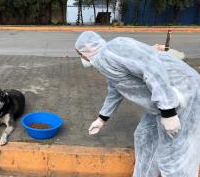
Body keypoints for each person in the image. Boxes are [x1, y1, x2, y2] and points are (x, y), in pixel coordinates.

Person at [74, 31, 200, 177]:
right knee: (144, 137)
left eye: (80, 54)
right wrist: (102, 119)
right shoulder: (104, 61)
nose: (81, 58)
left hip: (182, 94)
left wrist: (168, 112)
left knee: (173, 157)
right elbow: (115, 90)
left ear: (86, 51)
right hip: (160, 103)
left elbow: (151, 66)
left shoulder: (113, 48)